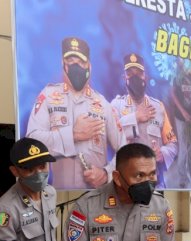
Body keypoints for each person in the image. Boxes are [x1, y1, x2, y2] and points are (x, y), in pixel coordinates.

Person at [26, 37, 126, 190]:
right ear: (63, 65)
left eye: (81, 62)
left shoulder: (103, 104)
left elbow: (125, 149)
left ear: (89, 66)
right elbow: (31, 142)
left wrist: (107, 173)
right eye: (71, 61)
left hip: (98, 198)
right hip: (60, 196)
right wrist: (72, 135)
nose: (76, 66)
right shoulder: (48, 96)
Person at [111, 52, 177, 189]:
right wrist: (135, 118)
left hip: (154, 182)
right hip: (126, 183)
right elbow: (110, 136)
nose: (135, 77)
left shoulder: (158, 107)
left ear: (145, 77)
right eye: (130, 74)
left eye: (138, 73)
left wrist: (162, 153)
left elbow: (173, 144)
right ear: (125, 78)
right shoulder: (116, 106)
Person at [169, 58, 191, 188]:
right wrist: (183, 111)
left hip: (190, 117)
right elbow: (173, 95)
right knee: (183, 147)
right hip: (180, 117)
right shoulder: (177, 77)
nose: (187, 64)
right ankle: (182, 176)